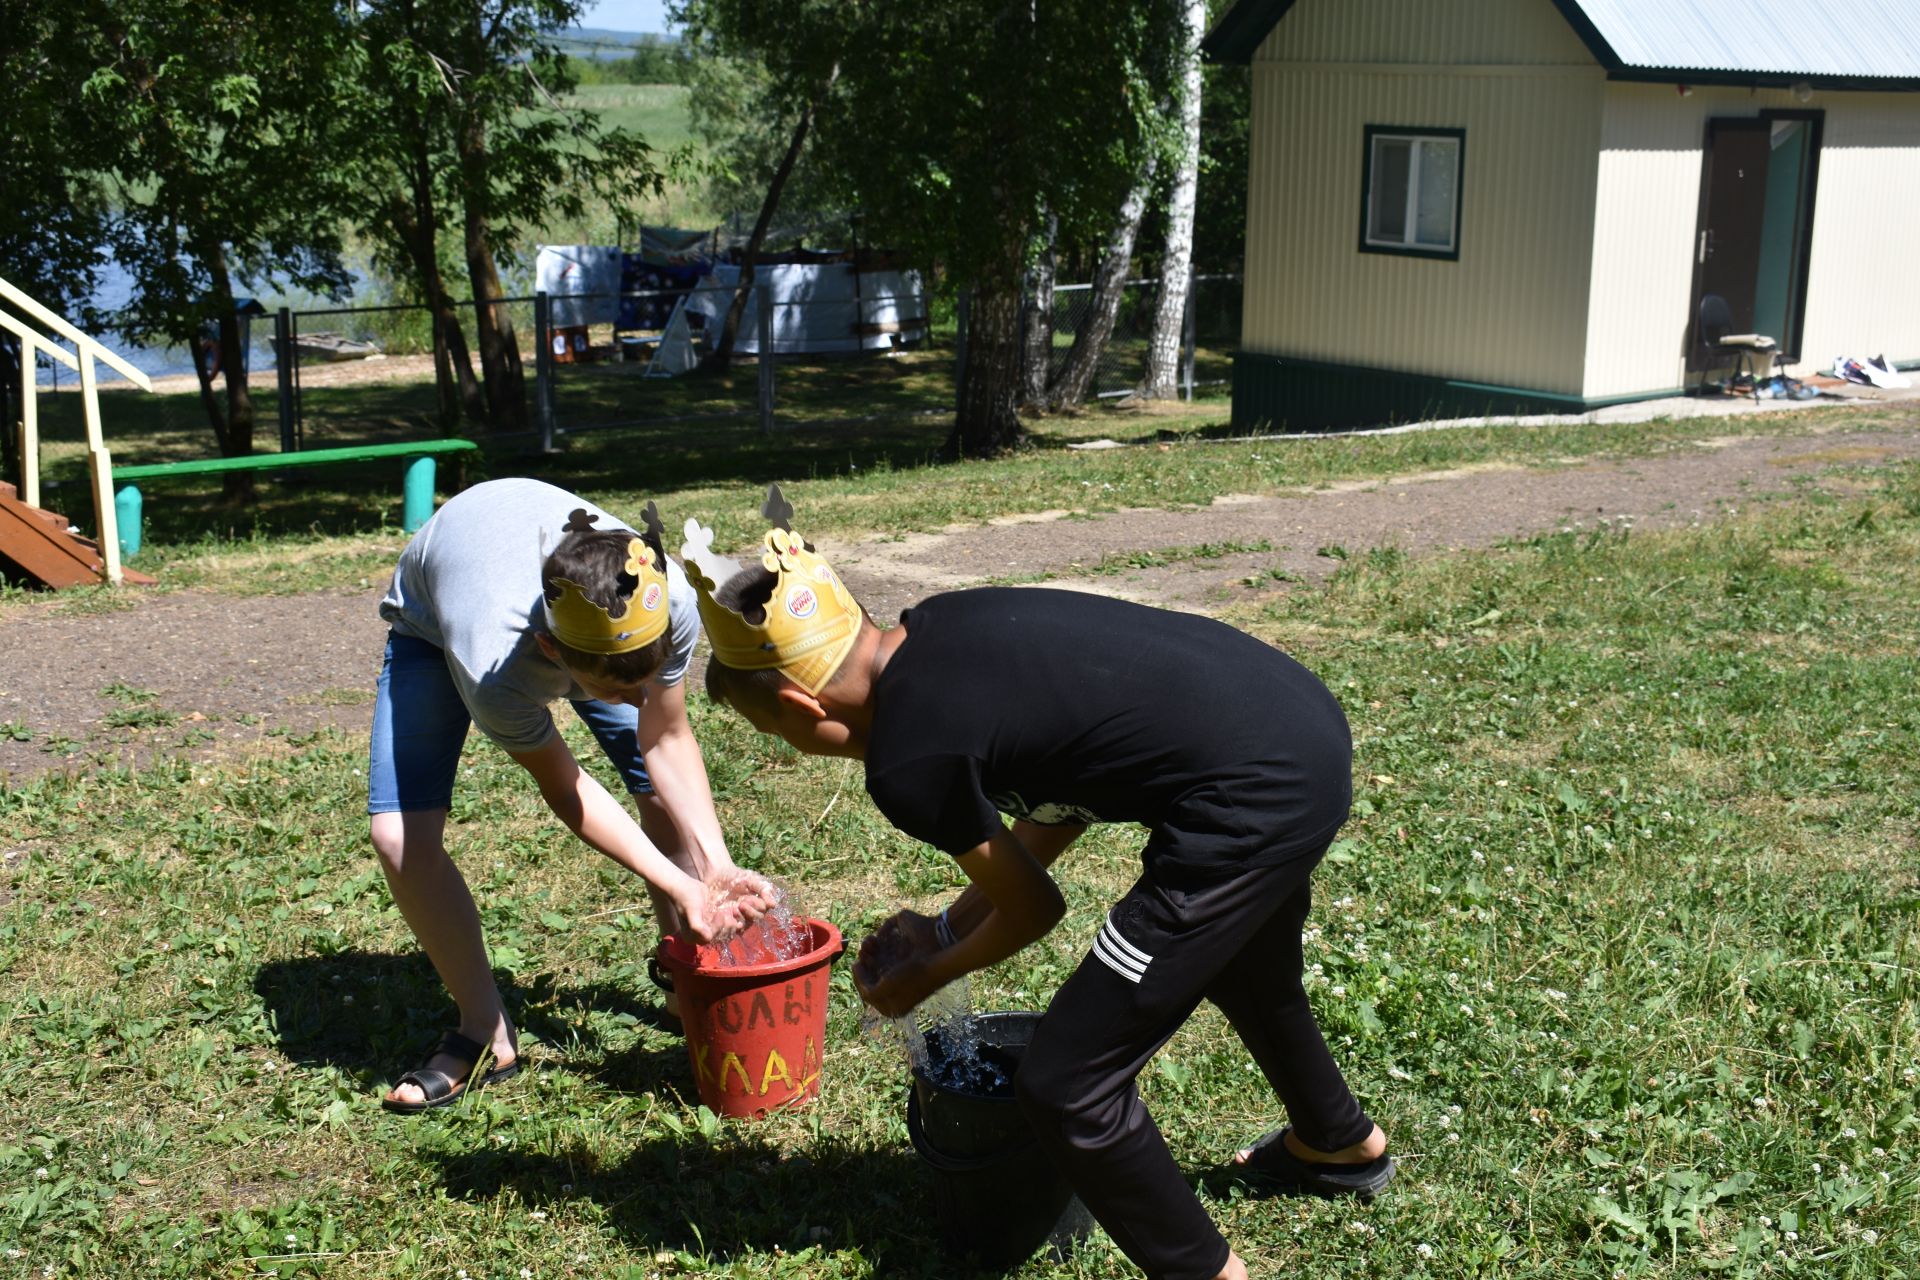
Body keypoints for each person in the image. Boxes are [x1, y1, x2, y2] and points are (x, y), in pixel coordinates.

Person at [683, 486, 1391, 1280]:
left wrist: (927, 973)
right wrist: (944, 931)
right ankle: (1336, 1144)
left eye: (773, 732)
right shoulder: (941, 627)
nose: (787, 747)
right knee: (1246, 962)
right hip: (1292, 721)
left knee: (1067, 1084)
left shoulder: (908, 761)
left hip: (1252, 795)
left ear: (795, 703)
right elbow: (1064, 787)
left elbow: (1034, 909)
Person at [371, 477, 767, 1113]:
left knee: (666, 802)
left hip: (574, 626)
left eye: (648, 676)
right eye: (619, 689)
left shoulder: (665, 601)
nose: (641, 701)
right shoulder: (492, 660)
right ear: (552, 650)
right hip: (437, 618)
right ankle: (484, 1034)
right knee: (400, 839)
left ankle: (685, 988)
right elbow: (567, 786)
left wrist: (713, 868)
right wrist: (677, 883)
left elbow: (665, 738)